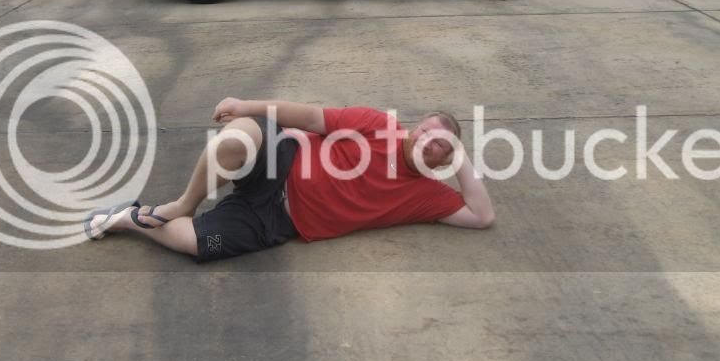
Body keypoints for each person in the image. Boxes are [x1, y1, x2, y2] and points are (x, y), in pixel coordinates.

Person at [84, 98, 495, 261]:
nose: (425, 142)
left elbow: (482, 216)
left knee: (200, 244)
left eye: (439, 146)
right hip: (283, 160)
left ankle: (130, 217)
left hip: (280, 221)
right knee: (241, 134)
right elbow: (312, 118)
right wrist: (247, 105)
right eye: (424, 131)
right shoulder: (377, 124)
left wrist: (460, 154)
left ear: (445, 160)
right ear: (414, 126)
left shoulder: (426, 194)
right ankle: (183, 204)